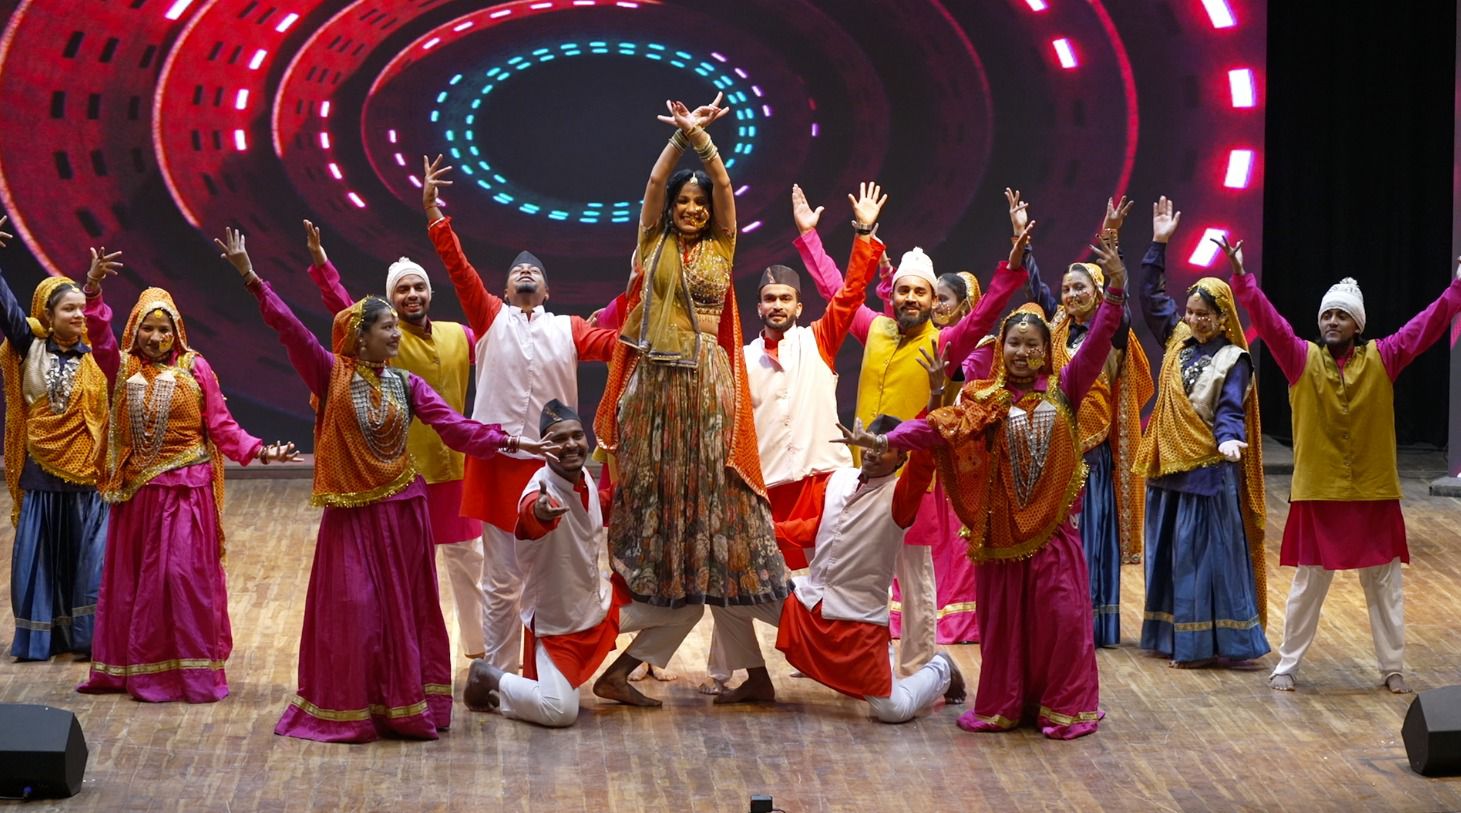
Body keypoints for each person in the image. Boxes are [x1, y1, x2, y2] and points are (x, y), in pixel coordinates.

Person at [214, 227, 556, 743]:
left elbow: (456, 427)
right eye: (387, 327)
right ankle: (352, 705)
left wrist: (513, 441)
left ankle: (403, 705)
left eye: (397, 327)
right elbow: (290, 329)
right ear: (361, 336)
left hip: (403, 513)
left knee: (405, 610)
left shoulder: (406, 383)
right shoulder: (330, 374)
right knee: (357, 609)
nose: (396, 334)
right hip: (352, 519)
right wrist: (250, 277)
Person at [838, 229, 1125, 740]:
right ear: (1002, 349)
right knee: (1007, 632)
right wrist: (885, 440)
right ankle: (1005, 704)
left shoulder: (1066, 388)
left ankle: (1063, 706)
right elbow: (937, 427)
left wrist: (1117, 290)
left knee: (1061, 624)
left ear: (1046, 351)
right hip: (1002, 542)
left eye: (1032, 345)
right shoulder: (985, 400)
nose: (1021, 352)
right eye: (1014, 343)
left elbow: (1101, 338)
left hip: (1054, 539)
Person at [592, 92, 790, 707]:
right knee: (665, 506)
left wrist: (704, 144)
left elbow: (726, 189)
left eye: (698, 203)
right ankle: (635, 646)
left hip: (706, 383)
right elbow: (653, 185)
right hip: (654, 390)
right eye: (684, 201)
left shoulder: (722, 245)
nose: (692, 209)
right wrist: (679, 137)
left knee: (722, 517)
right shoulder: (651, 242)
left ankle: (755, 671)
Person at [791, 185, 1028, 673]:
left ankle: (919, 667)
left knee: (914, 577)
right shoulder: (874, 328)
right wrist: (812, 237)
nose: (911, 298)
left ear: (933, 300)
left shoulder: (945, 342)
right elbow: (837, 292)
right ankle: (834, 651)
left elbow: (985, 312)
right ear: (894, 294)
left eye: (921, 291)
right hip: (861, 472)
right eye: (904, 290)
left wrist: (1012, 262)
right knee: (846, 564)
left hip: (912, 477)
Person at [1221, 237, 1461, 694]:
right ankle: (1287, 664)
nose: (1332, 321)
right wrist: (1242, 279)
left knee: (1385, 582)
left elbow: (1426, 327)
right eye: (1327, 314)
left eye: (1341, 315)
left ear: (1357, 324)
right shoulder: (1300, 359)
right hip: (1320, 489)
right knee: (1309, 583)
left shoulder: (1384, 357)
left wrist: (1457, 291)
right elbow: (1270, 325)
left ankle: (1392, 667)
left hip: (1373, 489)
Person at [421, 156, 617, 675]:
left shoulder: (569, 327)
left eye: (534, 272)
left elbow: (617, 346)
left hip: (555, 469)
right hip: (500, 467)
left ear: (548, 292)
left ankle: (548, 670)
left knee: (556, 577)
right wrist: (436, 216)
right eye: (515, 272)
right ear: (505, 290)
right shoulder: (489, 318)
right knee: (501, 579)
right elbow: (459, 270)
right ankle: (499, 673)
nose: (525, 272)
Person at [699, 182, 885, 695]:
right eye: (769, 299)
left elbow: (851, 293)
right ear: (758, 307)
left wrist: (862, 233)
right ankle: (741, 673)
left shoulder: (818, 340)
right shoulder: (740, 359)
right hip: (766, 492)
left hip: (823, 487)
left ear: (800, 306)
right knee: (732, 580)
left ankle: (854, 664)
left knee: (835, 585)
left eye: (785, 298)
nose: (777, 305)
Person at [78, 280, 297, 702]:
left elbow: (222, 425)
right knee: (138, 587)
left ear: (177, 331)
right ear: (134, 329)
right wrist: (93, 294)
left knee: (181, 579)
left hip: (186, 494)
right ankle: (143, 672)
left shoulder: (196, 368)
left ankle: (191, 673)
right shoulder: (121, 367)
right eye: (148, 328)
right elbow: (100, 338)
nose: (156, 337)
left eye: (164, 329)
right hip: (139, 498)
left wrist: (262, 452)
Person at [302, 220, 487, 661]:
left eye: (418, 287)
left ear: (430, 292)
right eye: (402, 290)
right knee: (408, 570)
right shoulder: (386, 339)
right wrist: (322, 264)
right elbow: (344, 307)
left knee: (470, 562)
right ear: (392, 299)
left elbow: (503, 346)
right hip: (404, 475)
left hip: (455, 469)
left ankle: (482, 651)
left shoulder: (460, 335)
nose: (412, 295)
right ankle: (410, 652)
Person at [460, 400, 705, 727]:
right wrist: (541, 513)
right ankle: (490, 677)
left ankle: (616, 678)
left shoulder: (583, 476)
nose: (571, 444)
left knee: (689, 610)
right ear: (544, 446)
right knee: (560, 712)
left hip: (598, 606)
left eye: (576, 435)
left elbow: (595, 506)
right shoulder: (539, 492)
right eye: (559, 439)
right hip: (561, 628)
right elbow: (531, 516)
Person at [1012, 190, 1154, 646]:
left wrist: (1113, 243)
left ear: (1097, 293)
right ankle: (1059, 619)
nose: (1071, 295)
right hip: (1054, 452)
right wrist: (1022, 239)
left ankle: (1091, 624)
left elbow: (1120, 310)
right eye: (1068, 288)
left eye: (1081, 288)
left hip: (1092, 456)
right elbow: (1037, 290)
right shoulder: (1055, 328)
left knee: (1089, 539)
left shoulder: (1109, 334)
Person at [1134, 197, 1269, 667]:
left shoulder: (1234, 358)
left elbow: (1230, 406)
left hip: (1208, 473)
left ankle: (1205, 645)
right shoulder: (1178, 340)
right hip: (1167, 467)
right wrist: (1158, 244)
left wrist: (1229, 437)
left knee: (1201, 560)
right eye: (1190, 312)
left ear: (1224, 316)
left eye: (1204, 314)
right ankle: (1171, 637)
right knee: (1169, 556)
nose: (1194, 319)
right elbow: (1151, 298)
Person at [780, 413, 966, 722]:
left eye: (883, 448)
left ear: (901, 459)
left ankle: (941, 670)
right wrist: (762, 532)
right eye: (868, 444)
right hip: (808, 605)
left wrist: (935, 402)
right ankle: (756, 679)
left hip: (858, 623)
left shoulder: (900, 496)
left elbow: (925, 457)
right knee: (735, 601)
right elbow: (815, 528)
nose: (872, 453)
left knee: (891, 710)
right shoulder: (838, 479)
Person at [1, 220, 112, 661]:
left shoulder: (96, 355)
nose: (78, 316)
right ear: (48, 315)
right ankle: (42, 638)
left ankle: (85, 637)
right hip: (42, 473)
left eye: (81, 309)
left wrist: (93, 286)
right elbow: (6, 308)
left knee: (88, 563)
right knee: (42, 559)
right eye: (69, 309)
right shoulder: (29, 345)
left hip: (87, 475)